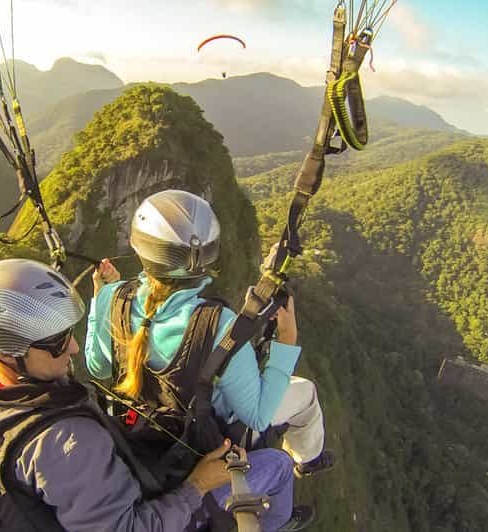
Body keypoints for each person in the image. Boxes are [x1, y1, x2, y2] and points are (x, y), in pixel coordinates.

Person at [0, 238, 298, 532]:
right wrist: (198, 485)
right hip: (153, 510)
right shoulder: (69, 444)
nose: (71, 347)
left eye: (68, 332)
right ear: (9, 353)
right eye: (56, 342)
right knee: (278, 465)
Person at [85, 190, 335, 528]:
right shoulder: (217, 325)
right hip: (204, 441)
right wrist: (287, 343)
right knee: (304, 392)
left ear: (140, 247)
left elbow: (97, 367)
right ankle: (304, 465)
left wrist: (101, 299)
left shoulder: (111, 297)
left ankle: (305, 463)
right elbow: (258, 416)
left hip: (142, 436)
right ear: (206, 255)